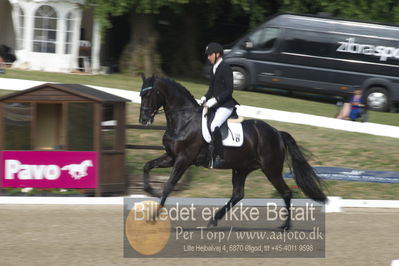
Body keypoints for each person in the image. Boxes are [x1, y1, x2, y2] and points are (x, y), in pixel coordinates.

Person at [199, 42, 239, 168]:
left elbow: (229, 89)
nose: (208, 57)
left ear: (217, 54)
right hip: (216, 105)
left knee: (214, 125)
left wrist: (216, 99)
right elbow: (211, 89)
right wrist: (204, 98)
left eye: (210, 55)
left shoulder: (225, 67)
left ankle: (219, 156)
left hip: (226, 105)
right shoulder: (213, 68)